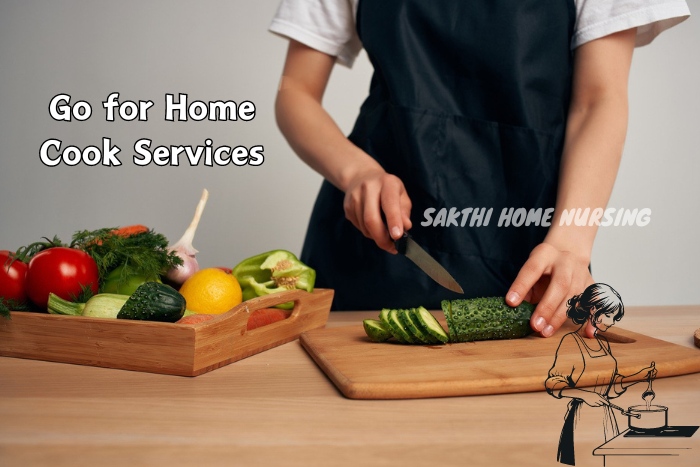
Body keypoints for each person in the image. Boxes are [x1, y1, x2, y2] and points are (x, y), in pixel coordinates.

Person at [269, 1, 690, 336]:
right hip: (372, 253)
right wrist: (356, 173)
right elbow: (295, 91)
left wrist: (571, 242)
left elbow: (600, 100)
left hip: (529, 252)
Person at [545, 283, 656, 466]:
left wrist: (639, 376)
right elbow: (553, 382)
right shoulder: (570, 342)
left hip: (606, 416)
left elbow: (611, 385)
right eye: (610, 316)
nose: (612, 323)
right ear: (594, 310)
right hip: (582, 417)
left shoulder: (603, 343)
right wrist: (584, 394)